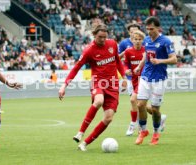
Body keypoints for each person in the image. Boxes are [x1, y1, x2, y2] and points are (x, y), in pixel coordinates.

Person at [58, 24, 127, 151]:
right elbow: (76, 68)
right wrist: (64, 85)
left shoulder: (112, 44)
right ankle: (80, 132)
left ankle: (84, 143)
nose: (102, 40)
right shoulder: (89, 50)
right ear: (94, 35)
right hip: (98, 82)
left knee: (108, 118)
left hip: (113, 85)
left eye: (104, 37)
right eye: (100, 37)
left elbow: (117, 61)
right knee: (99, 101)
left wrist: (124, 77)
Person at [134, 16, 177, 145]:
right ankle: (143, 131)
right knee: (140, 105)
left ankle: (156, 132)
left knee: (155, 109)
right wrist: (139, 66)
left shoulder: (166, 41)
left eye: (151, 29)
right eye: (147, 29)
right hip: (145, 77)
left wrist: (160, 61)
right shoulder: (146, 40)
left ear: (158, 28)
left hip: (159, 79)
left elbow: (174, 59)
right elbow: (145, 56)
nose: (149, 31)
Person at [119, 23, 167, 136]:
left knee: (133, 101)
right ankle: (160, 117)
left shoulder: (146, 48)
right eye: (132, 34)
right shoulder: (126, 47)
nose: (136, 40)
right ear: (130, 34)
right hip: (133, 79)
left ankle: (133, 125)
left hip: (144, 79)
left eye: (138, 38)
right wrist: (125, 74)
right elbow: (122, 62)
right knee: (140, 104)